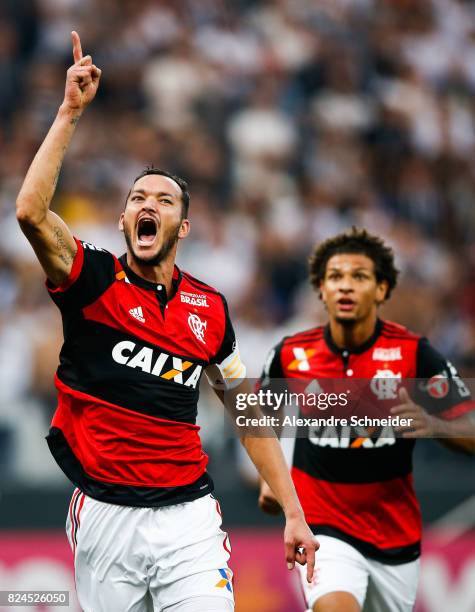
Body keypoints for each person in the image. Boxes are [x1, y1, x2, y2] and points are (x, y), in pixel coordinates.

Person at [15, 31, 317, 612]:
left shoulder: (209, 308)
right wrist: (69, 111)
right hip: (106, 516)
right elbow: (30, 211)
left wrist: (294, 512)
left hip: (189, 517)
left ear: (181, 227)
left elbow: (246, 409)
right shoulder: (91, 280)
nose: (148, 204)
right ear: (126, 219)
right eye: (137, 197)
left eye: (164, 199)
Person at [258, 228, 475, 612]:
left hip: (395, 537)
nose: (345, 286)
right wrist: (268, 477)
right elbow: (256, 417)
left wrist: (435, 424)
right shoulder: (291, 355)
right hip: (323, 528)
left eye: (359, 276)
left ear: (381, 289)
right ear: (321, 289)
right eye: (335, 277)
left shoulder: (414, 354)